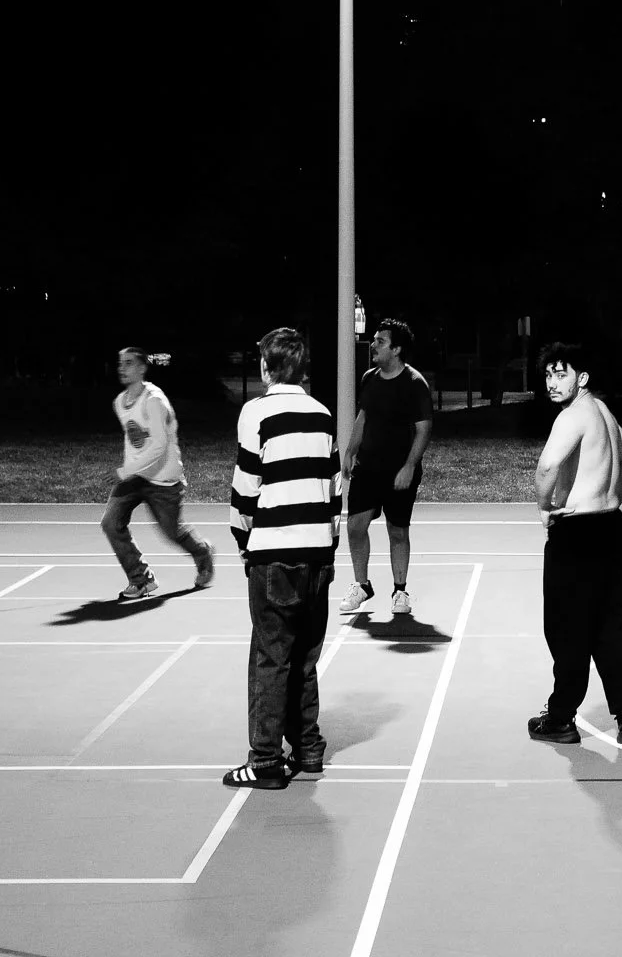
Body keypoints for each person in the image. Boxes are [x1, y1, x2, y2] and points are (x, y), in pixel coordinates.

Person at [223, 326, 342, 789]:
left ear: (266, 367)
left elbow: (246, 487)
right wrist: (328, 547)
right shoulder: (322, 413)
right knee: (305, 658)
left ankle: (266, 760)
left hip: (274, 554)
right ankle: (308, 748)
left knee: (271, 658)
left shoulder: (257, 412)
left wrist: (243, 540)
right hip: (317, 553)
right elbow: (333, 490)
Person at [528, 342, 622, 747]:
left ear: (581, 378)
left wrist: (545, 507)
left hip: (576, 533)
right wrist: (611, 498)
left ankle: (561, 717)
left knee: (566, 627)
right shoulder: (602, 411)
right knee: (610, 625)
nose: (551, 382)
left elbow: (547, 465)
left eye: (561, 374)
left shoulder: (572, 416)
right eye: (547, 375)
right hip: (613, 529)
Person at [101, 346, 215, 602]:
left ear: (142, 367)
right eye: (121, 363)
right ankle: (141, 579)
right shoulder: (120, 402)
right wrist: (130, 471)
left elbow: (159, 446)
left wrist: (125, 470)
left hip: (163, 478)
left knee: (172, 532)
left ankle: (203, 553)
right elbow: (135, 440)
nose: (122, 367)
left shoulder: (154, 400)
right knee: (110, 523)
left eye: (129, 363)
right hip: (135, 477)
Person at [340, 318, 432, 617]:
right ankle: (362, 585)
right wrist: (351, 450)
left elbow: (423, 429)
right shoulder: (369, 378)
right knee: (355, 526)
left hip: (398, 471)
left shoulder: (414, 383)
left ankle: (400, 590)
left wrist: (409, 466)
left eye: (380, 341)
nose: (374, 346)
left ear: (397, 349)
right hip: (368, 468)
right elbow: (363, 417)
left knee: (397, 531)